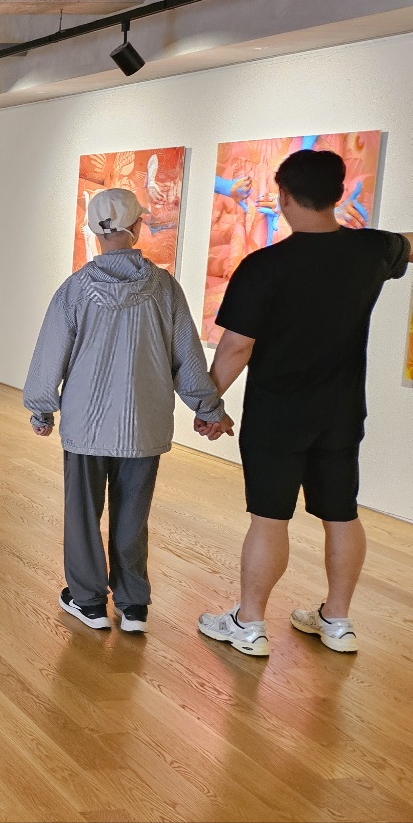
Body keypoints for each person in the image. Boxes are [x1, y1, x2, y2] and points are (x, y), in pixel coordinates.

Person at [196, 150, 411, 657]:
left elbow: (237, 347)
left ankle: (250, 624)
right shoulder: (371, 250)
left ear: (285, 197)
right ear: (339, 194)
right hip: (341, 414)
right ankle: (337, 621)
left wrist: (208, 403)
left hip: (277, 416)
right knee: (342, 514)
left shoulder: (264, 266)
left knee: (270, 518)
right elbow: (406, 243)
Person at [25, 189, 228, 634]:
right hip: (143, 424)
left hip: (86, 425)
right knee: (133, 516)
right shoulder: (165, 289)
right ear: (137, 227)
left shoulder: (74, 290)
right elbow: (188, 359)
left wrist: (42, 410)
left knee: (82, 514)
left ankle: (89, 602)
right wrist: (209, 409)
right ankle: (133, 606)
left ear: (92, 231)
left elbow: (50, 355)